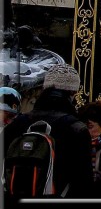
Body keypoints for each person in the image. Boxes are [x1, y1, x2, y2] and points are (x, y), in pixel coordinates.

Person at [2, 63, 93, 201]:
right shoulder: (76, 129)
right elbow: (83, 182)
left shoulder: (17, 124)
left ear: (44, 88)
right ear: (73, 93)